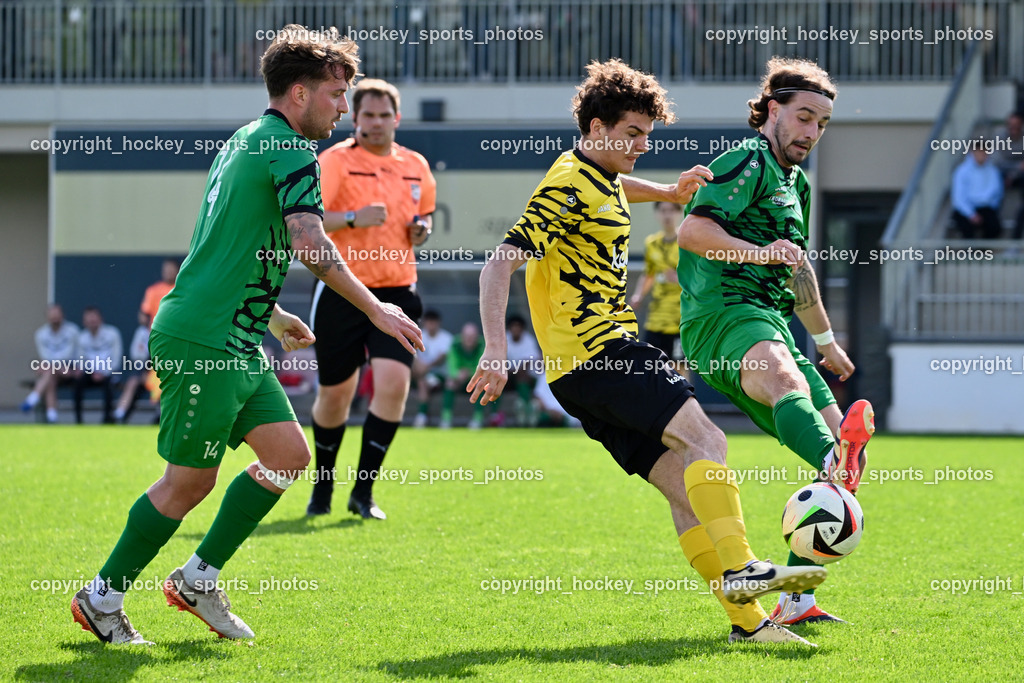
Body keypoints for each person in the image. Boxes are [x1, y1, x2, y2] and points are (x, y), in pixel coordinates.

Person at [71, 25, 422, 645]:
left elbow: (229, 246)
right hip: (204, 340)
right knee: (189, 482)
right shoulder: (291, 150)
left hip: (236, 336)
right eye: (337, 94)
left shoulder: (244, 141)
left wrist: (269, 316)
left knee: (288, 457)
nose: (344, 107)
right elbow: (311, 244)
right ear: (297, 94)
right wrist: (377, 311)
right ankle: (102, 597)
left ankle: (197, 579)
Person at [469, 58, 825, 646]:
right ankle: (744, 569)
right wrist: (495, 348)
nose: (640, 147)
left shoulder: (591, 172)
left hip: (574, 376)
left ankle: (749, 624)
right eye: (632, 135)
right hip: (602, 351)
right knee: (708, 441)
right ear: (597, 128)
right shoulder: (565, 184)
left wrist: (663, 189)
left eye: (647, 137)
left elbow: (612, 187)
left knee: (686, 490)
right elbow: (500, 260)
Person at [675, 56, 875, 626]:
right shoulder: (746, 161)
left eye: (822, 123)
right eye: (804, 116)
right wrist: (758, 252)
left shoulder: (798, 184)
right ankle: (836, 460)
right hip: (722, 319)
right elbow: (692, 230)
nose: (812, 132)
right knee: (808, 415)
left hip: (773, 323)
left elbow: (797, 268)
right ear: (770, 110)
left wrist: (828, 341)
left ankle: (796, 600)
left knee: (838, 452)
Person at [306, 77, 436, 521]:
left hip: (399, 289)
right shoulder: (335, 161)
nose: (377, 123)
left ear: (396, 118)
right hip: (343, 289)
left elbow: (425, 216)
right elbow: (311, 221)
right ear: (355, 118)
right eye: (368, 115)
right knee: (336, 396)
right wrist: (353, 219)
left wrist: (423, 230)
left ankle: (364, 493)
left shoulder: (416, 164)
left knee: (395, 385)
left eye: (384, 115)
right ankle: (321, 490)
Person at [629, 201, 688, 378]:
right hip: (656, 318)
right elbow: (649, 274)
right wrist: (638, 295)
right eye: (663, 211)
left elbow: (700, 275)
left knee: (680, 367)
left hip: (680, 319)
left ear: (679, 213)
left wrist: (680, 279)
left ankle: (687, 403)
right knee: (652, 364)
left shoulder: (686, 242)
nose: (667, 215)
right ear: (657, 214)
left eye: (671, 210)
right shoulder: (652, 243)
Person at [22, 303, 79, 423]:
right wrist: (51, 365)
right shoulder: (40, 334)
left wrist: (50, 364)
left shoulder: (73, 331)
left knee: (47, 370)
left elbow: (70, 354)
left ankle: (33, 398)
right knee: (50, 378)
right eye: (52, 317)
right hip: (52, 370)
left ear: (63, 316)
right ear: (47, 318)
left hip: (70, 369)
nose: (55, 319)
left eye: (57, 316)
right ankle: (52, 416)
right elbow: (44, 355)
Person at [73, 306, 123, 424]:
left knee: (109, 385)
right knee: (77, 383)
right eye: (89, 320)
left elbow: (116, 358)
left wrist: (104, 373)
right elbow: (81, 360)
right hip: (90, 373)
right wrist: (91, 372)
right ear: (84, 322)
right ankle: (78, 421)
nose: (92, 322)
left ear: (101, 319)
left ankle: (107, 420)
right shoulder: (82, 338)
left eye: (94, 319)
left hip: (109, 373)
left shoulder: (113, 334)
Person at [950, 143, 1004, 239]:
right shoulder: (962, 171)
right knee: (966, 228)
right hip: (966, 209)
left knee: (994, 227)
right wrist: (971, 214)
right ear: (972, 153)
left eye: (984, 152)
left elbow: (997, 193)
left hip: (986, 208)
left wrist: (989, 205)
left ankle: (982, 251)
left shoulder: (993, 171)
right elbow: (958, 198)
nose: (981, 155)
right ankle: (971, 252)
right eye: (979, 152)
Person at [411, 309, 453, 428]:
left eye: (433, 322)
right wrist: (420, 365)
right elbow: (414, 353)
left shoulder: (446, 338)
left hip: (441, 374)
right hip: (421, 374)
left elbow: (442, 357)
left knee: (422, 380)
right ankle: (422, 416)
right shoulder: (418, 336)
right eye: (428, 322)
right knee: (422, 380)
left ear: (438, 323)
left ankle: (424, 415)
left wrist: (426, 366)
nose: (431, 325)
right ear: (424, 322)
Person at [442, 322, 487, 429]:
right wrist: (457, 374)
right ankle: (446, 418)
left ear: (477, 337)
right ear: (462, 336)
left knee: (482, 383)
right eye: (467, 336)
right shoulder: (455, 344)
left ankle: (477, 419)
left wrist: (469, 373)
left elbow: (482, 367)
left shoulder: (482, 345)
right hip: (459, 379)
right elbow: (452, 366)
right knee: (450, 382)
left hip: (474, 378)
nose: (469, 339)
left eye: (472, 337)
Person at [112, 311, 151, 423]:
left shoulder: (161, 330)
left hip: (161, 370)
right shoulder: (141, 332)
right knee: (133, 382)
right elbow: (136, 354)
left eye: (144, 314)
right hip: (142, 368)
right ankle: (120, 413)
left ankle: (161, 414)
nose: (140, 317)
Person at [504, 314, 542, 425]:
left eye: (518, 326)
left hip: (529, 377)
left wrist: (515, 369)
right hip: (508, 376)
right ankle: (495, 414)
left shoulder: (529, 340)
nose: (516, 329)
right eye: (513, 326)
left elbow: (529, 362)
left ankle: (525, 405)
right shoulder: (504, 339)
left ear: (522, 328)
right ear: (509, 328)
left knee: (521, 374)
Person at [994, 112, 1024, 240]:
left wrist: (1014, 173)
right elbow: (998, 162)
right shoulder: (1000, 138)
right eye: (1011, 126)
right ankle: (995, 220)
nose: (1013, 129)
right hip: (1003, 173)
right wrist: (1016, 168)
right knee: (995, 180)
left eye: (1017, 126)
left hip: (1018, 175)